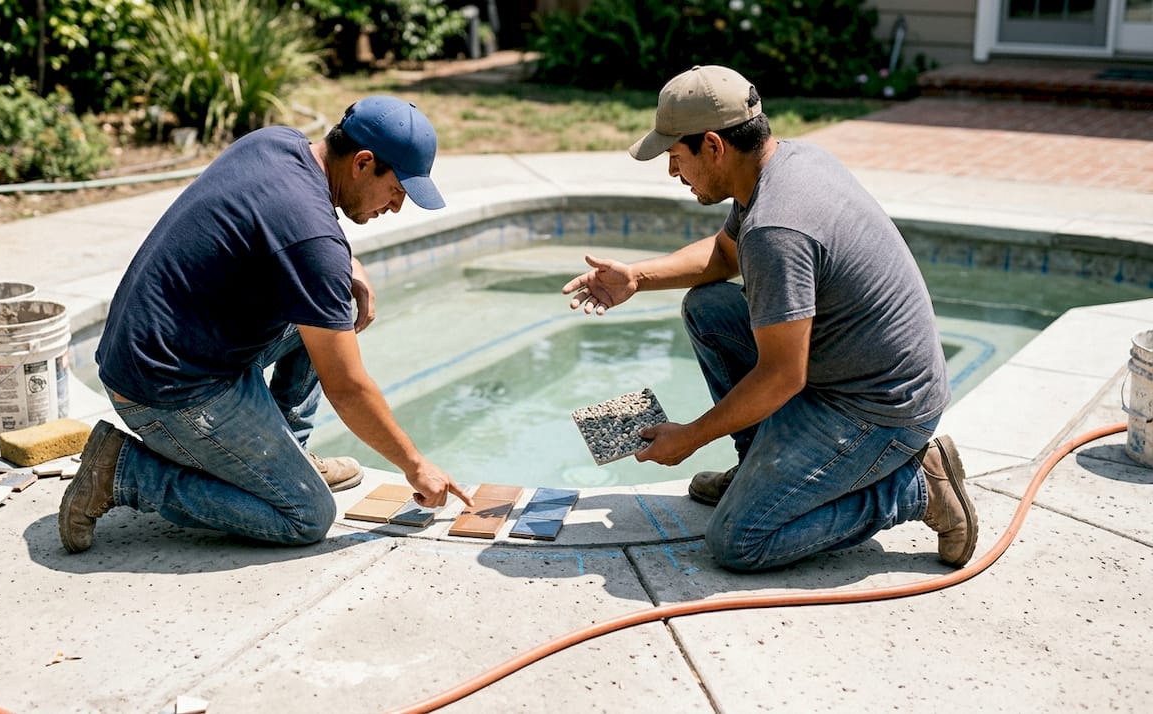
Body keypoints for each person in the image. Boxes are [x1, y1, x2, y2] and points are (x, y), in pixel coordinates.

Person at [561, 65, 978, 571]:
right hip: (848, 374)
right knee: (708, 309)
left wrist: (689, 437)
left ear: (713, 146)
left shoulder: (776, 229)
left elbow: (782, 376)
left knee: (739, 541)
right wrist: (637, 277)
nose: (672, 172)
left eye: (675, 156)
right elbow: (724, 254)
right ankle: (757, 468)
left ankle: (918, 489)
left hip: (879, 411)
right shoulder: (789, 161)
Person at [59, 96, 473, 553]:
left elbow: (288, 228)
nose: (396, 207)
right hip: (165, 389)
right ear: (363, 163)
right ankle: (124, 473)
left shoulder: (277, 143)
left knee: (329, 310)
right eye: (397, 190)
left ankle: (287, 457)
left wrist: (347, 264)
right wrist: (415, 465)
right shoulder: (313, 241)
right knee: (305, 516)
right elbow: (347, 388)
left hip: (159, 346)